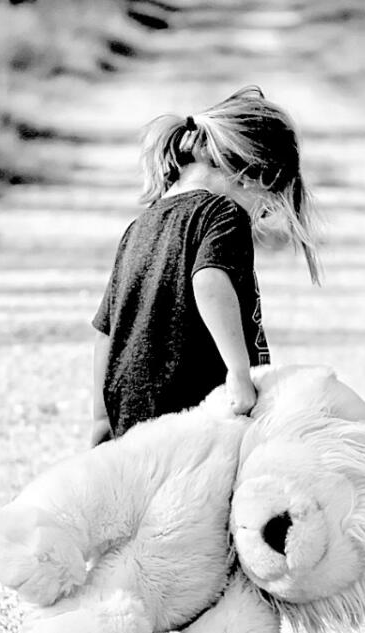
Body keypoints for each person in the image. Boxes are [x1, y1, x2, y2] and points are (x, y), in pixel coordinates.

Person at [89, 86, 321, 446]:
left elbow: (107, 329)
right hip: (194, 411)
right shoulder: (222, 213)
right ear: (253, 176)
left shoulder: (140, 225)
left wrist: (101, 417)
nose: (259, 216)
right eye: (266, 206)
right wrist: (239, 373)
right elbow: (209, 281)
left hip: (131, 418)